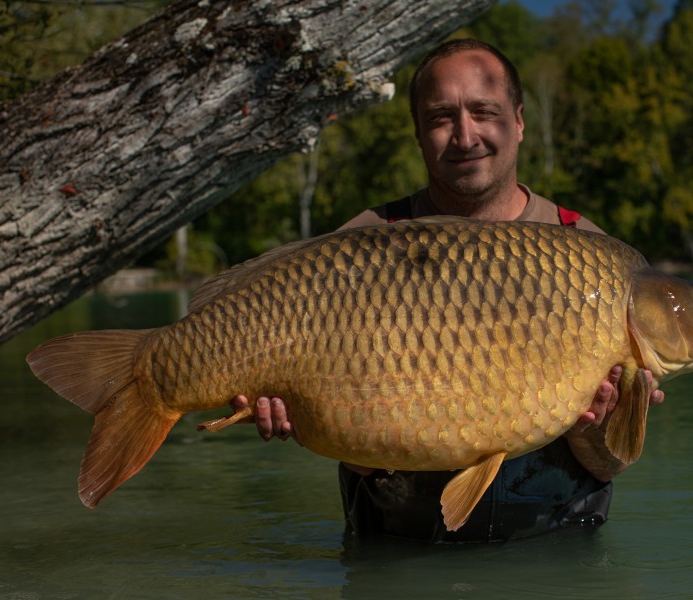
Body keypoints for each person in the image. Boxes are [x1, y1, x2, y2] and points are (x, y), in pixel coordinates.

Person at [231, 38, 665, 542]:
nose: (465, 135)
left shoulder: (590, 257)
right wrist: (311, 423)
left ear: (519, 121)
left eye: (484, 112)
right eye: (441, 117)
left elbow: (608, 467)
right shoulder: (361, 245)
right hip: (399, 552)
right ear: (418, 132)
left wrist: (596, 428)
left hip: (557, 552)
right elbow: (359, 458)